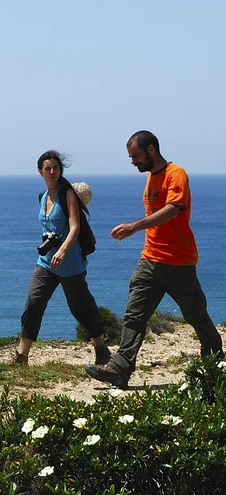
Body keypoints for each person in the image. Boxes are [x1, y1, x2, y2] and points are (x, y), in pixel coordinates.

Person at [85, 131, 223, 388]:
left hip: (179, 261)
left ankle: (215, 359)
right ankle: (119, 368)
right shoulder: (150, 177)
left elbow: (172, 210)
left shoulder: (175, 174)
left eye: (135, 156)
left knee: (196, 316)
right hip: (150, 259)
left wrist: (134, 227)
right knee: (134, 315)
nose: (132, 161)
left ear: (151, 150)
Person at [16, 150, 110, 366]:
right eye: (47, 168)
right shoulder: (42, 197)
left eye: (55, 168)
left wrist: (62, 250)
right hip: (46, 262)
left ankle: (100, 347)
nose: (52, 172)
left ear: (60, 170)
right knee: (34, 302)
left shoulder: (67, 194)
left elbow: (74, 227)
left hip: (70, 262)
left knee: (80, 306)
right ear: (40, 171)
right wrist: (52, 250)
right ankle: (22, 356)